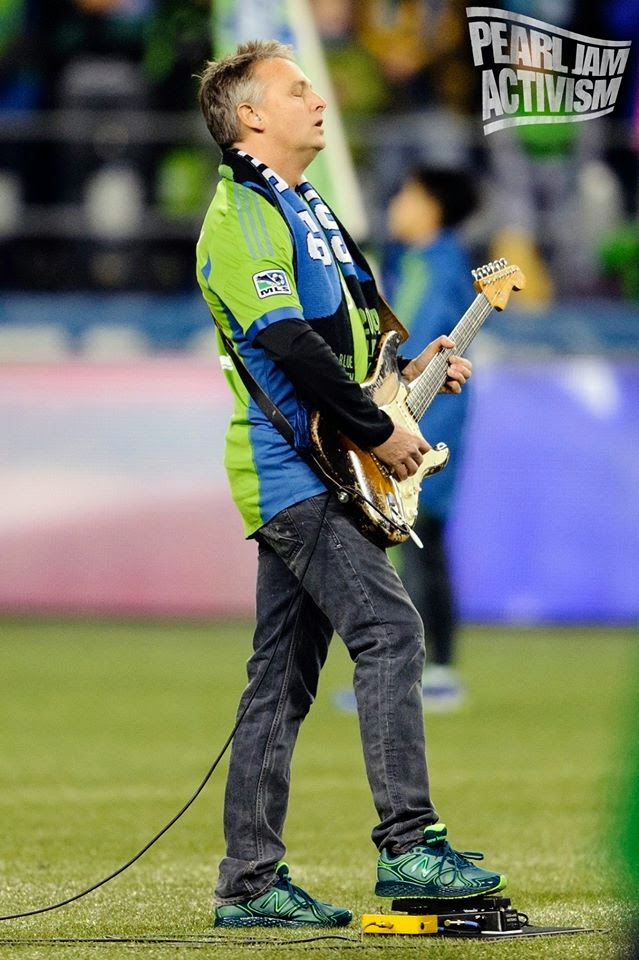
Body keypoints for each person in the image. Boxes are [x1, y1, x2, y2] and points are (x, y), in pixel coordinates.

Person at [196, 39, 505, 929]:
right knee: (390, 628)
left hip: (325, 465)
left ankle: (249, 883)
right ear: (252, 116)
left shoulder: (304, 206)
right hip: (292, 469)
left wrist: (412, 368)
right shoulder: (242, 211)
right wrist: (381, 430)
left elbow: (348, 344)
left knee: (279, 682)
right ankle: (409, 844)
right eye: (299, 90)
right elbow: (286, 343)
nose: (319, 99)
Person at [383, 167, 478, 711]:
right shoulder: (420, 262)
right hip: (424, 417)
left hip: (422, 422)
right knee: (421, 545)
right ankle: (423, 669)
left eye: (406, 193)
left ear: (431, 208)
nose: (396, 203)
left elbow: (410, 344)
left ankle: (432, 670)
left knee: (420, 543)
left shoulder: (432, 266)